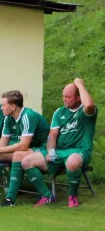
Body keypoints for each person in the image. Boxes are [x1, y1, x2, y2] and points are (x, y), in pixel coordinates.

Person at [21, 78, 98, 208]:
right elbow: (52, 135)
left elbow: (89, 104)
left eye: (68, 97)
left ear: (78, 98)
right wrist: (51, 151)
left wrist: (80, 84)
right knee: (26, 161)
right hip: (59, 151)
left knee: (72, 162)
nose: (64, 99)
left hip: (79, 151)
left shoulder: (86, 112)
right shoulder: (59, 112)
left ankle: (72, 196)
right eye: (63, 96)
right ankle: (47, 196)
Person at [0, 90, 50, 206]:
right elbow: (3, 140)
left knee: (17, 154)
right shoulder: (8, 117)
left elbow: (23, 145)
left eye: (3, 105)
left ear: (13, 106)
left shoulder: (28, 116)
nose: (1, 108)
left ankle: (10, 198)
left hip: (44, 148)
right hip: (30, 147)